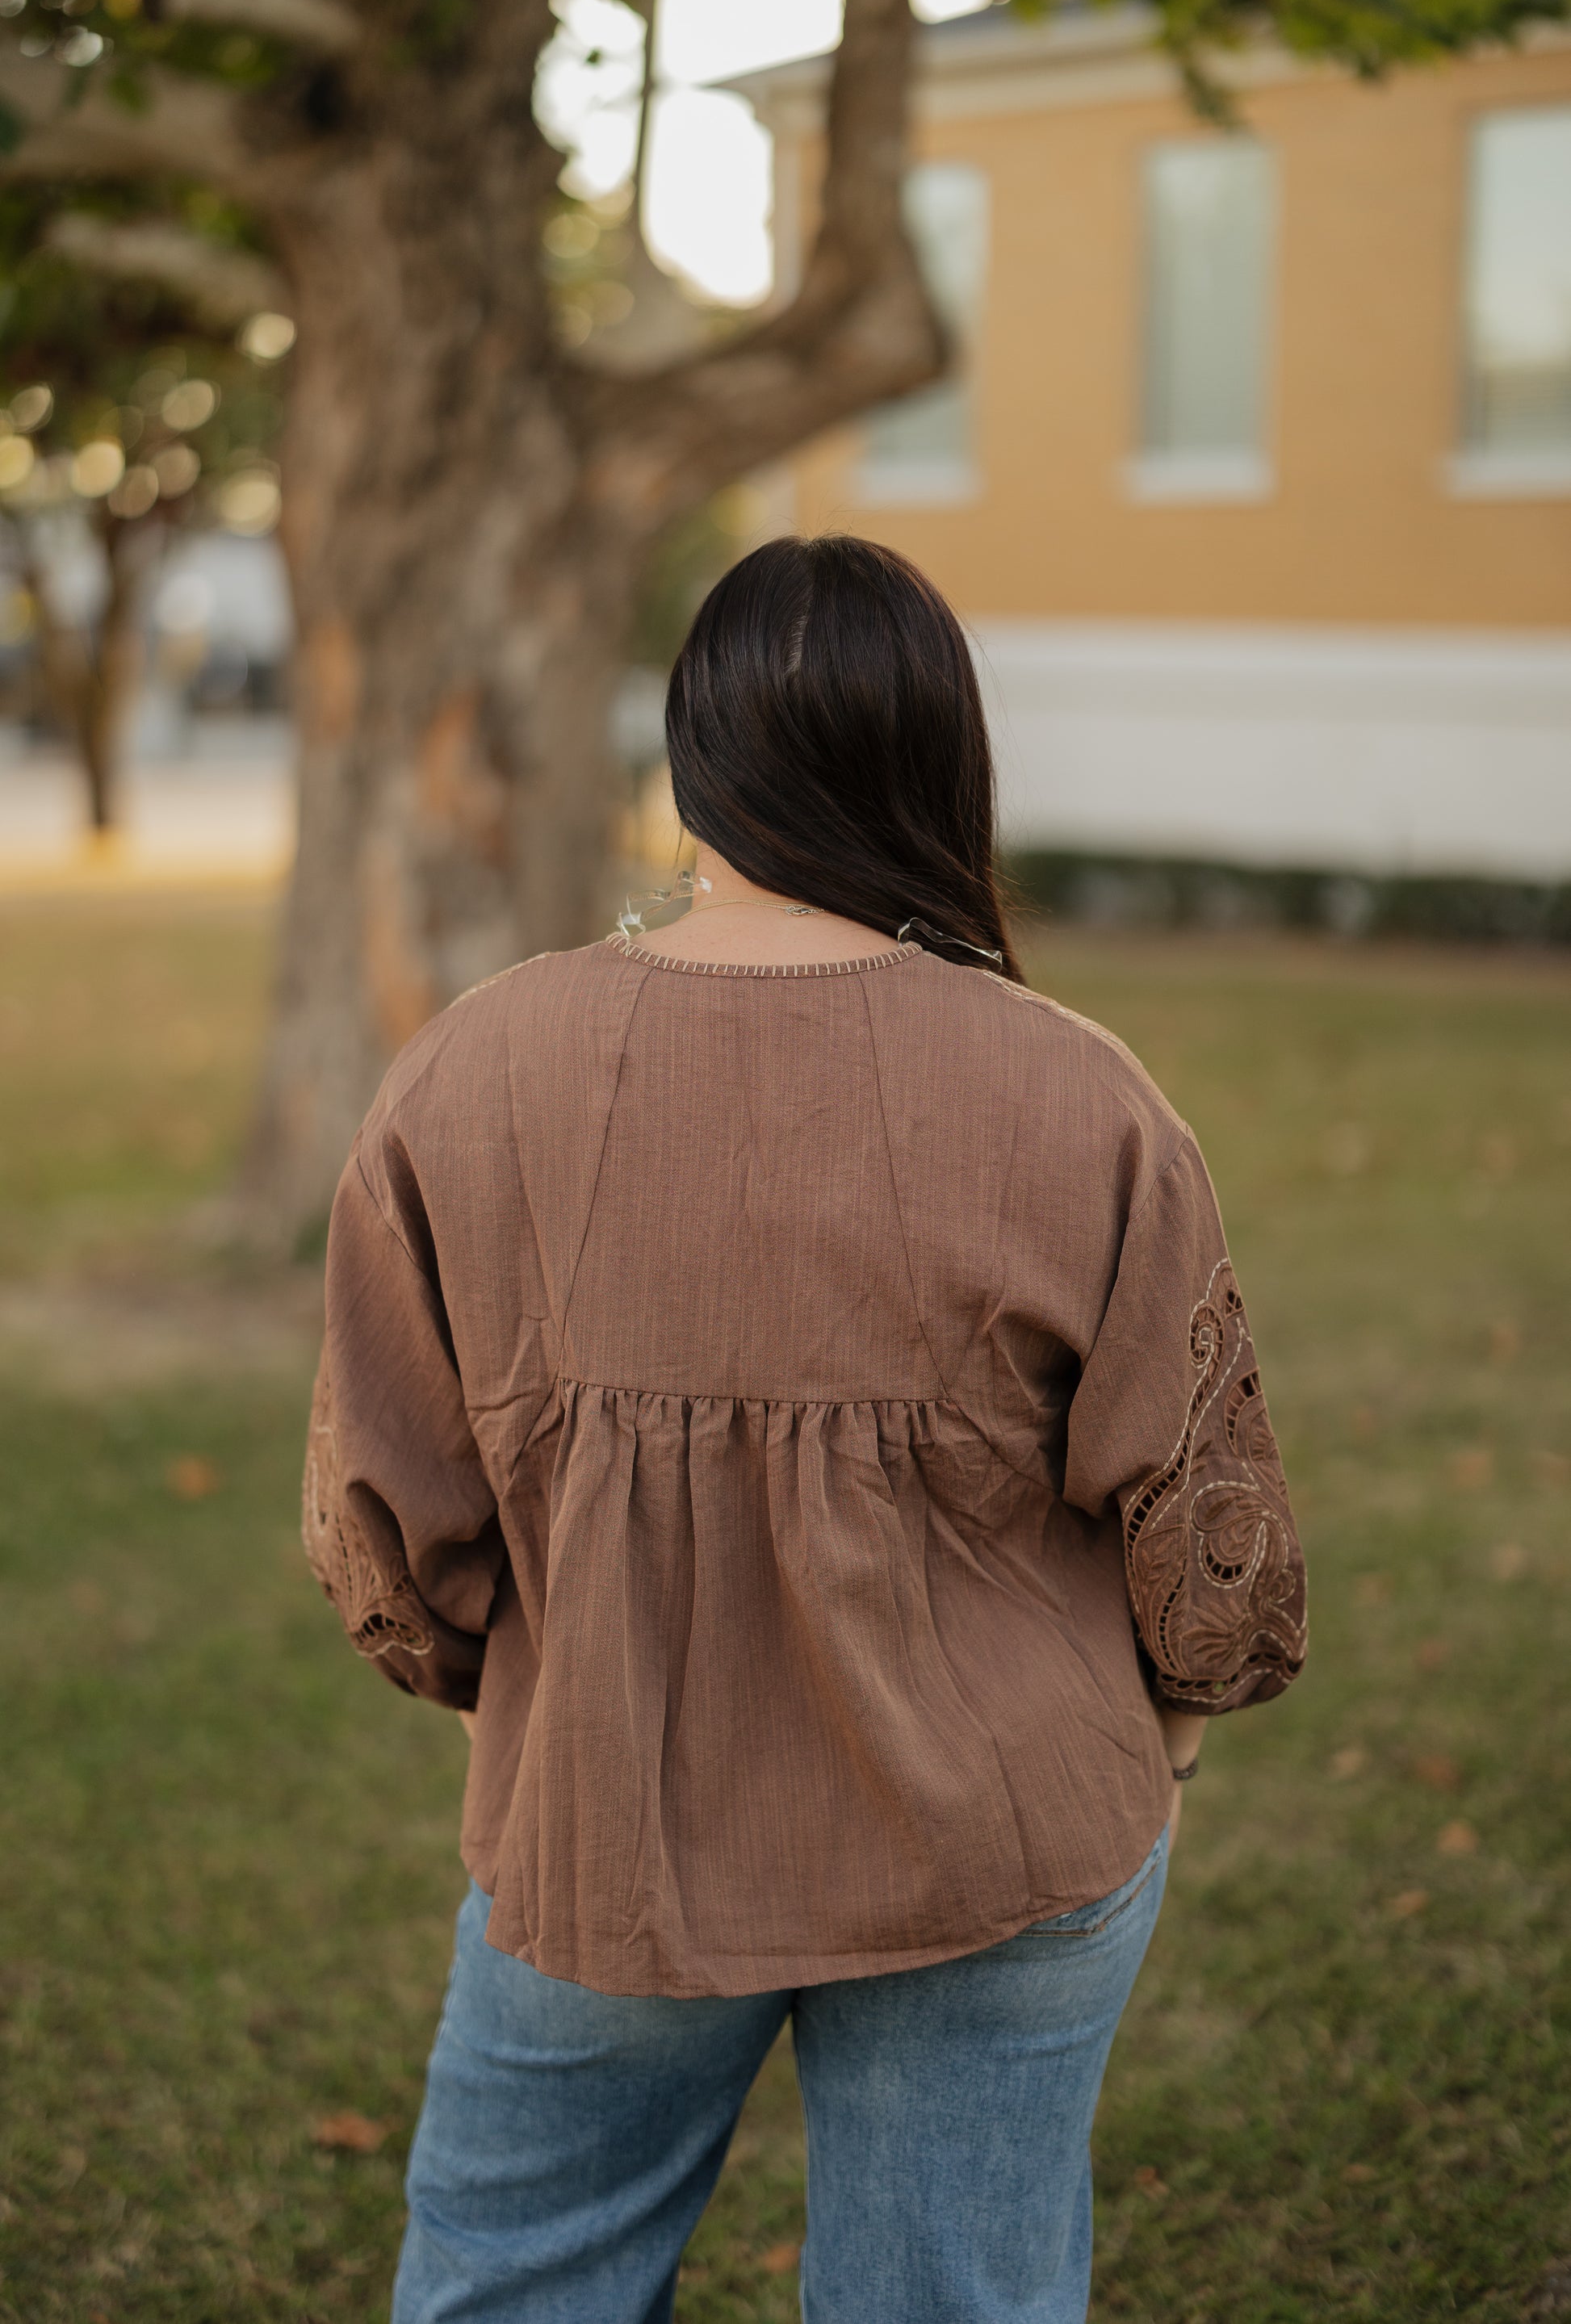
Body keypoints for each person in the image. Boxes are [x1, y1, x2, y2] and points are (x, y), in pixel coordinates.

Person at [302, 534, 1307, 2324]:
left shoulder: (472, 1068)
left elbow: (389, 1541)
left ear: (693, 768)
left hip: (600, 1823)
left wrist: (563, 1691)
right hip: (1003, 1845)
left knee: (511, 2282)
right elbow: (1207, 1534)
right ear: (943, 762)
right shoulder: (1080, 1089)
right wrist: (1162, 1745)